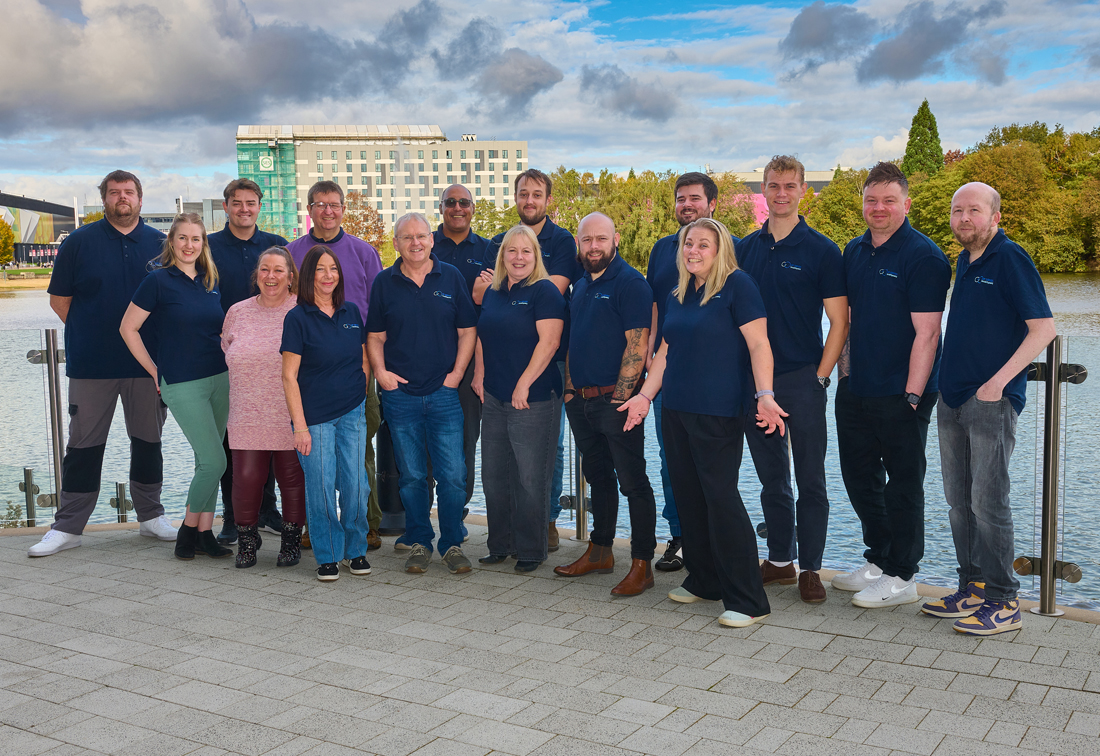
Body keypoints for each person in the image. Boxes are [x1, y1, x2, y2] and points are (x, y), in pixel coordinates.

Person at [620, 217, 786, 627]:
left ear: (720, 250)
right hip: (675, 408)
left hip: (718, 411)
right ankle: (705, 579)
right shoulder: (680, 291)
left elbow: (759, 344)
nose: (692, 250)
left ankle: (748, 599)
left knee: (720, 498)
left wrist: (765, 395)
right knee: (689, 496)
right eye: (687, 244)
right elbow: (665, 352)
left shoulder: (738, 286)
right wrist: (644, 396)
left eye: (702, 245)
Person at [922, 182, 1055, 635]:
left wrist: (999, 382)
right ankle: (973, 587)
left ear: (995, 217)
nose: (964, 219)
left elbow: (1044, 329)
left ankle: (1004, 601)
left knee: (988, 502)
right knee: (959, 503)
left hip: (991, 402)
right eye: (957, 210)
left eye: (974, 211)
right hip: (952, 397)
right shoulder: (965, 259)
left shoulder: (1010, 258)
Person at [31, 170, 177, 557]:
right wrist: (93, 333)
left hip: (147, 366)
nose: (122, 198)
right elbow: (60, 301)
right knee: (83, 446)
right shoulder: (78, 243)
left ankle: (151, 517)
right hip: (91, 365)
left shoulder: (162, 244)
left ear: (140, 200)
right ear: (104, 200)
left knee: (149, 442)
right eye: (114, 193)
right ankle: (69, 527)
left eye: (129, 192)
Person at [831, 162, 951, 608]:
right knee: (859, 478)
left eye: (888, 200)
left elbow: (928, 333)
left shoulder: (924, 256)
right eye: (870, 200)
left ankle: (904, 576)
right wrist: (845, 375)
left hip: (904, 392)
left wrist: (913, 396)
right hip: (857, 387)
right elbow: (846, 320)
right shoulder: (854, 251)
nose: (878, 208)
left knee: (903, 484)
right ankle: (878, 560)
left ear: (906, 203)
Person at [737, 156, 848, 604]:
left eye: (789, 185)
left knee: (811, 479)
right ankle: (780, 560)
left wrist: (820, 379)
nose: (781, 193)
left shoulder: (823, 250)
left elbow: (839, 322)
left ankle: (812, 569)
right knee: (771, 479)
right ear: (763, 190)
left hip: (802, 379)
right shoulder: (744, 249)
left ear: (804, 190)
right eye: (773, 185)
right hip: (755, 384)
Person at [366, 213, 477, 575]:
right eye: (407, 237)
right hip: (401, 397)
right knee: (412, 476)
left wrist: (457, 374)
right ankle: (419, 542)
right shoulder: (385, 282)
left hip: (445, 394)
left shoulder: (452, 277)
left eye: (422, 236)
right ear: (396, 243)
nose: (415, 243)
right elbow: (376, 337)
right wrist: (381, 374)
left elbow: (466, 331)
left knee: (453, 475)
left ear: (432, 240)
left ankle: (451, 544)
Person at [553, 212, 657, 596]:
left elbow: (637, 344)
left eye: (600, 239)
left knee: (633, 483)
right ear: (579, 244)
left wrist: (622, 399)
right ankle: (600, 551)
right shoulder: (580, 285)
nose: (593, 246)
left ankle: (642, 564)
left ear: (615, 239)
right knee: (598, 479)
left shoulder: (630, 283)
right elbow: (573, 344)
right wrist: (568, 392)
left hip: (616, 401)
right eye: (586, 240)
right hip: (580, 402)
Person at [119, 213, 233, 560]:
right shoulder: (157, 282)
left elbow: (215, 330)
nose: (189, 245)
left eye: (195, 239)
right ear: (171, 242)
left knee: (206, 460)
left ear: (203, 244)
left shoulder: (210, 281)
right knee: (215, 463)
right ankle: (187, 530)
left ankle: (204, 533)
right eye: (182, 238)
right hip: (182, 383)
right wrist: (154, 369)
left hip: (219, 378)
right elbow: (128, 328)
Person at [645, 172, 736, 572]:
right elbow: (655, 306)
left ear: (711, 203)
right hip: (668, 370)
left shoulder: (728, 249)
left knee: (714, 467)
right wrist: (649, 355)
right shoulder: (663, 249)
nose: (687, 205)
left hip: (714, 378)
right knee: (672, 460)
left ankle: (719, 542)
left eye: (695, 198)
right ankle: (681, 538)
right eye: (681, 198)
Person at [287, 180, 385, 550]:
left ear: (343, 209)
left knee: (360, 451)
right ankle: (319, 526)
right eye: (320, 204)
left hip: (355, 369)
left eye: (334, 204)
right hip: (307, 372)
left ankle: (367, 523)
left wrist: (369, 370)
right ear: (309, 210)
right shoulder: (291, 252)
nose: (328, 211)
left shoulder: (362, 252)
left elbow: (377, 311)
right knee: (314, 455)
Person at [489, 169, 582, 552]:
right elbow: (483, 296)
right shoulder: (501, 241)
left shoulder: (562, 241)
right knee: (502, 461)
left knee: (546, 450)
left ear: (548, 200)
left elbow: (552, 291)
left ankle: (546, 522)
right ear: (515, 197)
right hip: (500, 371)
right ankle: (509, 535)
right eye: (523, 194)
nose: (530, 200)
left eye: (537, 194)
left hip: (545, 367)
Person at [472, 225, 566, 572]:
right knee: (495, 474)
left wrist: (524, 383)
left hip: (535, 398)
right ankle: (500, 543)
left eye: (526, 251)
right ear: (502, 257)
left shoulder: (545, 292)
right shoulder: (493, 292)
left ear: (536, 256)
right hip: (495, 395)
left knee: (530, 477)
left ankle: (530, 549)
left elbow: (550, 342)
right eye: (512, 251)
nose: (518, 258)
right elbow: (483, 335)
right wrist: (480, 374)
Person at [281, 245, 373, 582]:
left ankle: (355, 550)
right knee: (321, 485)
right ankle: (328, 554)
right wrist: (300, 427)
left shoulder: (351, 313)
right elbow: (289, 376)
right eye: (320, 269)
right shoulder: (297, 318)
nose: (328, 275)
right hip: (315, 417)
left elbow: (363, 358)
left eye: (333, 268)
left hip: (352, 413)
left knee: (356, 485)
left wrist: (360, 393)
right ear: (309, 275)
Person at [209, 178, 289, 544]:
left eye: (251, 202)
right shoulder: (209, 247)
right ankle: (232, 515)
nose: (244, 208)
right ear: (226, 207)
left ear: (260, 206)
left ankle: (268, 509)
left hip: (273, 357)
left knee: (273, 432)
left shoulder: (277, 247)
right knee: (234, 439)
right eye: (237, 203)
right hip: (227, 356)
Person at [221, 247, 306, 568]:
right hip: (245, 412)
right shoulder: (237, 312)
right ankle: (246, 542)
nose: (271, 277)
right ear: (256, 274)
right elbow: (226, 350)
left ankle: (290, 542)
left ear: (290, 276)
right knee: (245, 480)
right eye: (265, 270)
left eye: (278, 271)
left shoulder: (302, 310)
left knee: (292, 481)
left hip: (290, 413)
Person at [433, 184, 494, 507]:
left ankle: (456, 511)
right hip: (427, 358)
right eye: (451, 202)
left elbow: (492, 307)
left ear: (473, 208)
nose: (458, 208)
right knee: (422, 438)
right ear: (441, 207)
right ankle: (420, 517)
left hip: (471, 359)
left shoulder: (488, 250)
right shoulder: (424, 245)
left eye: (464, 203)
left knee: (466, 438)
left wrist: (480, 370)